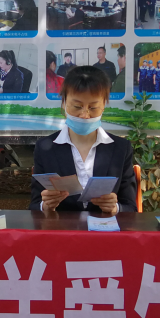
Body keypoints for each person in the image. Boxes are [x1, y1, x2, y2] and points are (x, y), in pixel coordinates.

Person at [29, 65, 137, 215]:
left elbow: (130, 207)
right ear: (64, 103)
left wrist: (115, 208)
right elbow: (34, 206)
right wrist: (45, 206)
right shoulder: (45, 148)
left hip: (105, 228)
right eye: (77, 106)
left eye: (93, 108)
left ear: (104, 105)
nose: (85, 115)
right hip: (62, 228)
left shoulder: (121, 148)